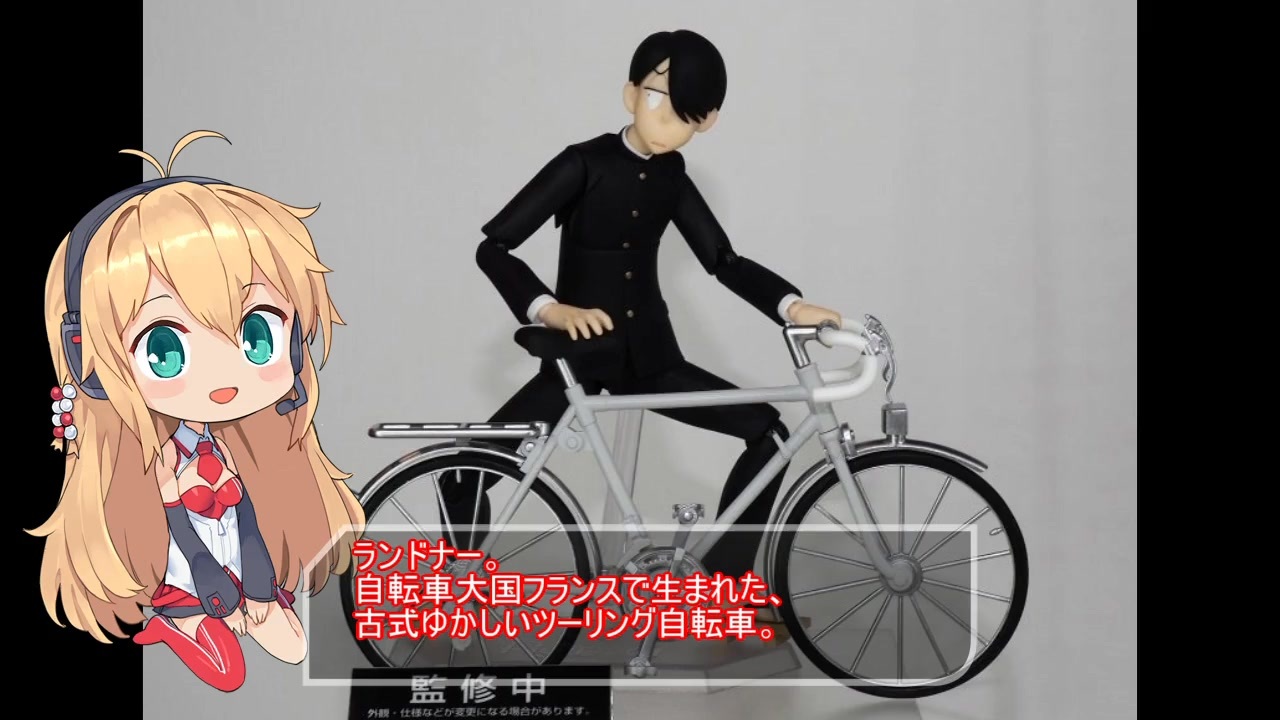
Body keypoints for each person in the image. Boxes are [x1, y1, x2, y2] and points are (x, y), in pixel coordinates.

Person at [443, 30, 841, 592]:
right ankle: (458, 584)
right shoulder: (583, 163)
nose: (667, 120)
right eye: (657, 97)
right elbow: (495, 248)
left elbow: (722, 260)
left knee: (769, 434)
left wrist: (789, 304)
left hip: (651, 359)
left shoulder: (672, 176)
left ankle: (720, 586)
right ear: (631, 93)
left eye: (686, 114)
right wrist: (548, 309)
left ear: (707, 122)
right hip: (578, 359)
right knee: (467, 471)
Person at [32, 130, 365, 692]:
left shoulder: (250, 444)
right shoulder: (143, 459)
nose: (225, 377)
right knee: (220, 648)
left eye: (256, 334)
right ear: (88, 360)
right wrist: (172, 491)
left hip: (240, 546)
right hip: (181, 552)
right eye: (165, 349)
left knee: (284, 628)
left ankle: (248, 597)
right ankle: (181, 614)